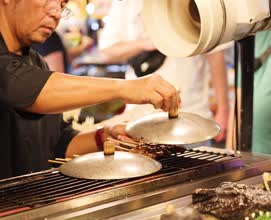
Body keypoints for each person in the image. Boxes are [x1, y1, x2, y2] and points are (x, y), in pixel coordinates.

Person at [0, 0, 180, 196]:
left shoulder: (36, 63)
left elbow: (56, 143)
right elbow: (20, 89)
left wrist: (104, 137)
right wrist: (125, 88)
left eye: (63, 4)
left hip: (8, 218)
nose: (56, 12)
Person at [98, 0, 229, 143]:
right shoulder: (126, 4)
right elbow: (107, 50)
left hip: (191, 116)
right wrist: (144, 44)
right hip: (139, 119)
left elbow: (216, 54)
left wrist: (223, 109)